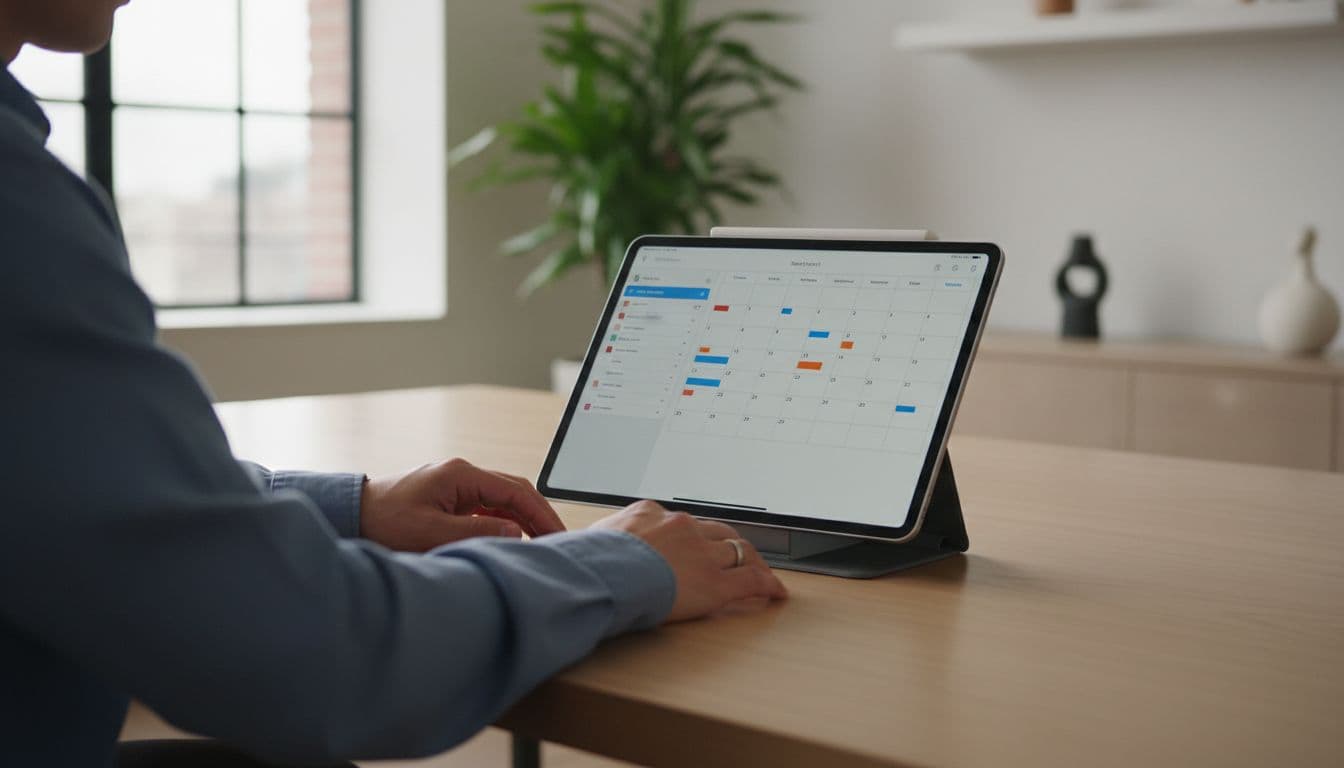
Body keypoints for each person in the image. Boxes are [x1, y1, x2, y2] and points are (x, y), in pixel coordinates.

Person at [0, 1, 788, 765]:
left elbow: (78, 491)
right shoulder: (18, 208)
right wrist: (616, 563)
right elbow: (310, 657)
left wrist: (355, 509)